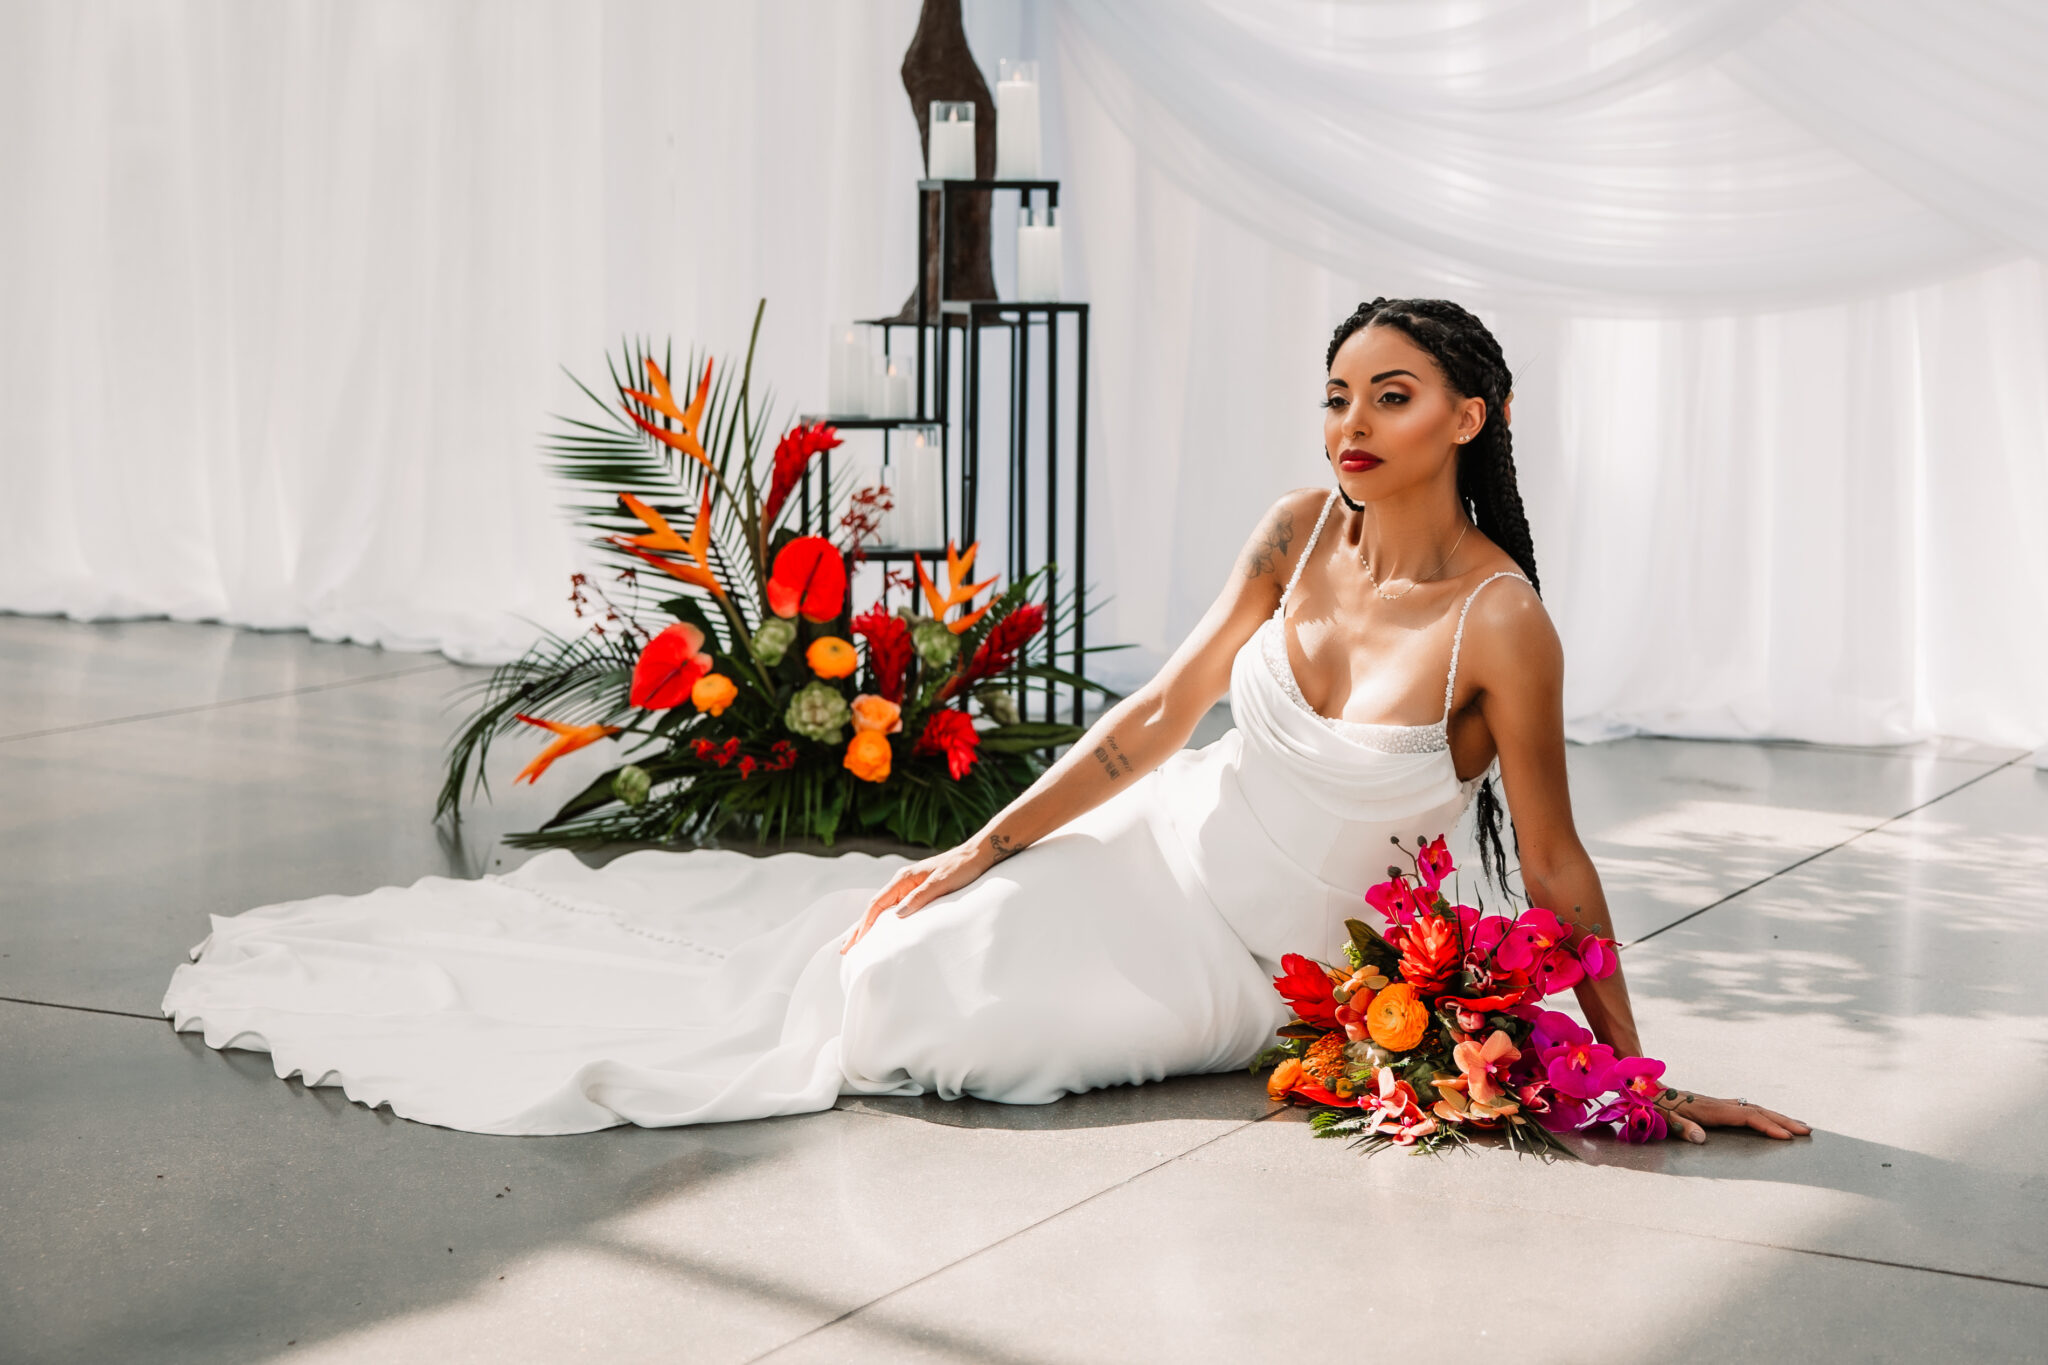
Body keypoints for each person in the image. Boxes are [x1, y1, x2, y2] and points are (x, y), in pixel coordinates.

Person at [163, 298, 1808, 1144]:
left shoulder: (1502, 621)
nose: (1350, 423)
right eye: (1334, 391)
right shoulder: (1292, 529)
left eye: (1390, 393)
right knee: (891, 964)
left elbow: (1565, 869)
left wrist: (1638, 1072)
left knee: (960, 1047)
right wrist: (973, 840)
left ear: (1473, 413)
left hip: (1273, 960)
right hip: (1160, 849)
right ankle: (961, 905)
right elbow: (1154, 724)